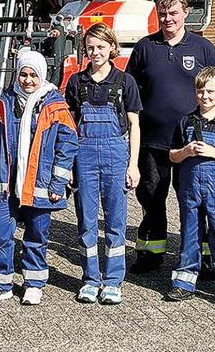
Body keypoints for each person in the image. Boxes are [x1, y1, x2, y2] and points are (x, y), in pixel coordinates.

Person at [126, 0, 215, 274]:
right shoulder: (145, 47)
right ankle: (150, 253)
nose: (168, 18)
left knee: (194, 201)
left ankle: (200, 257)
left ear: (185, 13)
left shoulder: (203, 48)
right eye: (163, 13)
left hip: (191, 143)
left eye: (173, 13)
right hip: (152, 141)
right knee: (151, 198)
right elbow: (130, 91)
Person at [0, 50, 77, 306]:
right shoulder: (4, 102)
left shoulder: (55, 105)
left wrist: (58, 183)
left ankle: (33, 284)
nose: (28, 80)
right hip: (6, 183)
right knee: (0, 233)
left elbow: (67, 146)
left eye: (33, 75)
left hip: (39, 185)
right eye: (23, 74)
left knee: (36, 235)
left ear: (42, 75)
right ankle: (0, 285)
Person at [65, 23, 141, 304]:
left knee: (115, 222)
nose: (95, 52)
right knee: (86, 221)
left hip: (116, 155)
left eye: (100, 47)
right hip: (83, 156)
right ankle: (89, 279)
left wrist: (133, 165)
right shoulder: (76, 82)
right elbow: (69, 126)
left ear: (112, 48)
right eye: (90, 48)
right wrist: (68, 165)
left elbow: (134, 125)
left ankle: (112, 281)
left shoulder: (125, 82)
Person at [165, 66, 215, 311]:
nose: (205, 96)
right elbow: (172, 156)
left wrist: (214, 153)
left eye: (210, 91)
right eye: (200, 91)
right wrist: (185, 151)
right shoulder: (186, 121)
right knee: (190, 234)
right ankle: (184, 282)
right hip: (190, 188)